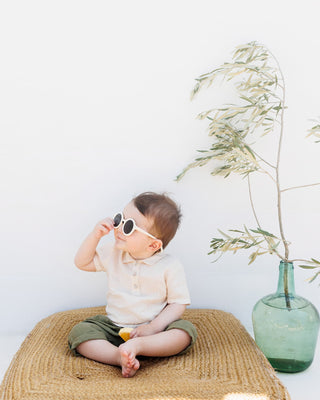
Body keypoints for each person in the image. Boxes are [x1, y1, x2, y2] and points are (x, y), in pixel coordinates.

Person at [68, 192, 197, 378]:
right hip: (113, 327)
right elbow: (82, 262)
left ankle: (139, 347)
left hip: (153, 330)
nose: (119, 228)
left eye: (129, 227)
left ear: (153, 245)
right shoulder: (113, 253)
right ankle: (118, 356)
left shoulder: (169, 266)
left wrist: (153, 328)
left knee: (185, 332)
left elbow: (178, 303)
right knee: (80, 332)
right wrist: (95, 236)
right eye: (120, 219)